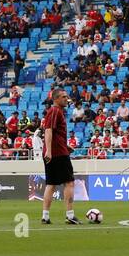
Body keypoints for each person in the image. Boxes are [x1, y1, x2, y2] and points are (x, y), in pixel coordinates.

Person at [40, 87, 79, 224]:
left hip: (56, 150)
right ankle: (70, 215)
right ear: (55, 99)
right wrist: (49, 151)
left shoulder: (56, 112)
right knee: (69, 182)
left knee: (51, 184)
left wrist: (65, 145)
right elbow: (48, 131)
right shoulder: (55, 111)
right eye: (63, 97)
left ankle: (45, 216)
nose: (66, 99)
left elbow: (54, 133)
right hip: (58, 153)